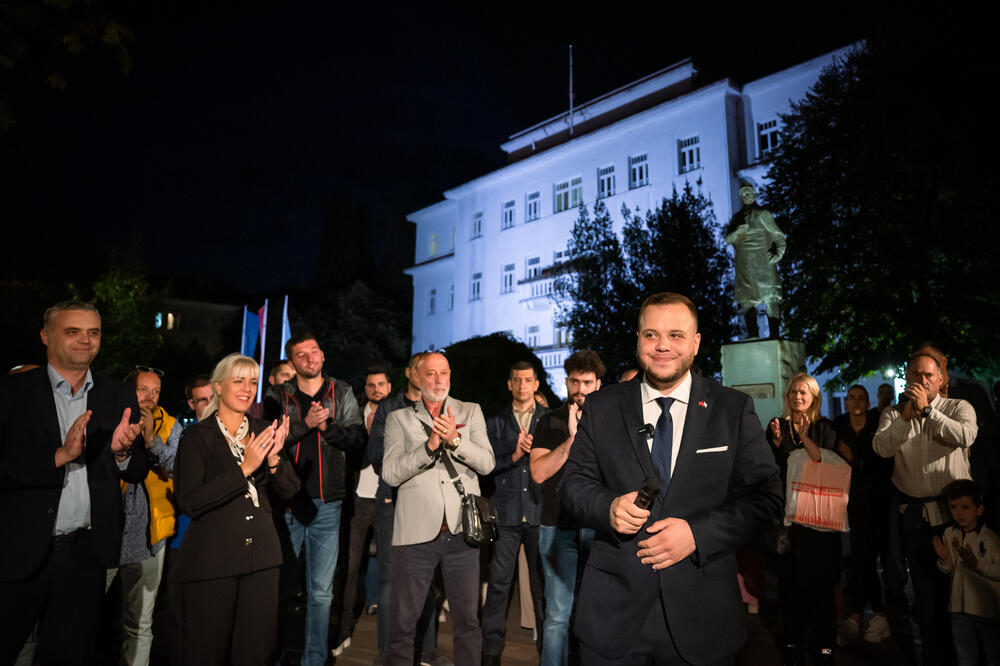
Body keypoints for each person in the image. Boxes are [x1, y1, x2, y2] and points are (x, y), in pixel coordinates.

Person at [559, 292, 783, 665]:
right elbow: (572, 484)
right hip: (613, 615)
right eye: (651, 335)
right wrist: (607, 507)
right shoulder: (602, 405)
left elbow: (767, 497)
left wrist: (698, 534)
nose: (663, 345)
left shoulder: (732, 409)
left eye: (676, 335)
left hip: (703, 616)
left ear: (695, 343)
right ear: (638, 340)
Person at [0, 299, 148, 665]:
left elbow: (138, 468)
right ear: (45, 336)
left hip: (86, 554)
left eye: (93, 332)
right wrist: (59, 457)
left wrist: (122, 453)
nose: (85, 340)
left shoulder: (116, 395)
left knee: (69, 655)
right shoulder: (12, 392)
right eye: (73, 331)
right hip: (19, 551)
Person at [170, 353, 298, 665]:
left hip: (263, 558)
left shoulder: (265, 429)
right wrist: (244, 469)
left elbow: (290, 491)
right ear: (217, 386)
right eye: (238, 380)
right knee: (207, 651)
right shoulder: (196, 437)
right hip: (213, 560)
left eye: (252, 381)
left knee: (255, 653)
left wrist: (273, 461)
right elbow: (189, 501)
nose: (246, 388)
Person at [382, 351, 495, 666]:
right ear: (416, 377)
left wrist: (456, 440)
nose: (437, 380)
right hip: (415, 535)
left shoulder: (470, 411)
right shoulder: (398, 419)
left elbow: (487, 464)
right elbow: (390, 473)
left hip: (462, 533)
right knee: (403, 624)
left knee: (467, 622)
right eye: (430, 373)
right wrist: (429, 446)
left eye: (443, 373)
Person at [262, 332, 366, 666]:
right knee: (278, 588)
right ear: (292, 364)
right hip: (286, 502)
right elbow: (266, 437)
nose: (311, 358)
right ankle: (274, 655)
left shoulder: (343, 391)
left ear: (322, 354)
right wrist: (305, 425)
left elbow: (357, 439)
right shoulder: (278, 394)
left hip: (327, 503)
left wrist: (327, 429)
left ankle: (314, 659)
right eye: (302, 355)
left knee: (321, 593)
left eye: (315, 351)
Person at [874, 351, 978, 666]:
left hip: (954, 517)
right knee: (924, 593)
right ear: (906, 380)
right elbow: (881, 448)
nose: (922, 380)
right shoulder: (894, 414)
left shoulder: (958, 407)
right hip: (916, 518)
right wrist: (907, 416)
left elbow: (966, 435)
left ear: (941, 379)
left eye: (929, 375)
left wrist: (930, 411)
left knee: (961, 593)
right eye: (916, 375)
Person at [367, 353, 448, 666]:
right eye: (423, 368)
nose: (429, 374)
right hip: (392, 500)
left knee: (426, 579)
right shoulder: (389, 407)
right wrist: (419, 453)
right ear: (412, 373)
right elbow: (377, 456)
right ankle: (389, 653)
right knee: (391, 579)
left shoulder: (441, 407)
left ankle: (425, 652)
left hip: (429, 504)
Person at [529, 349, 605, 666]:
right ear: (566, 381)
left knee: (596, 611)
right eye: (575, 381)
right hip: (557, 527)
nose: (581, 389)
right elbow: (538, 472)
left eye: (587, 382)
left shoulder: (609, 422)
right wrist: (571, 440)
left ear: (599, 384)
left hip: (598, 528)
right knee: (558, 615)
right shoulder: (549, 421)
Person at [107, 366, 183, 666]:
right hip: (107, 530)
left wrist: (152, 440)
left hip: (150, 535)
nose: (150, 397)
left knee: (139, 622)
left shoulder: (172, 426)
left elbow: (177, 468)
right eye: (143, 389)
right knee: (82, 613)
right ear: (129, 389)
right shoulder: (111, 417)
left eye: (156, 391)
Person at [767, 373, 838, 664]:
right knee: (790, 589)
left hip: (819, 522)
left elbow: (825, 466)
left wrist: (805, 438)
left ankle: (823, 650)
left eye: (803, 393)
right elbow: (771, 472)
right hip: (789, 520)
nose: (797, 397)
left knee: (821, 592)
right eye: (794, 392)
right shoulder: (776, 427)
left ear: (814, 398)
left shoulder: (825, 428)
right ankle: (793, 645)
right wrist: (775, 445)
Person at [481, 361, 548, 665]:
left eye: (528, 380)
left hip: (540, 512)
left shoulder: (549, 419)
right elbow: (486, 465)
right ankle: (491, 651)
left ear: (537, 384)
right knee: (498, 584)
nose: (522, 385)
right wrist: (515, 455)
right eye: (517, 380)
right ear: (509, 384)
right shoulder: (495, 421)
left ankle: (549, 650)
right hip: (506, 513)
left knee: (542, 586)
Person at [332, 365, 392, 657]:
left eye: (381, 384)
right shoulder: (354, 417)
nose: (376, 389)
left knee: (390, 569)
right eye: (371, 385)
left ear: (389, 387)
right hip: (357, 501)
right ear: (365, 389)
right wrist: (365, 435)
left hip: (387, 501)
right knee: (350, 566)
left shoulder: (396, 415)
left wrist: (376, 435)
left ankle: (391, 640)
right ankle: (343, 629)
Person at [833, 384, 893, 646]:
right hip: (848, 501)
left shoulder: (877, 424)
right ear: (845, 401)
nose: (855, 402)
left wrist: (854, 459)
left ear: (868, 402)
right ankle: (871, 615)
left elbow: (882, 462)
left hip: (877, 501)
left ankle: (864, 615)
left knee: (865, 557)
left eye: (861, 398)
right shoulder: (839, 424)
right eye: (851, 397)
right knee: (860, 558)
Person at [933, 479, 1000, 666]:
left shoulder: (989, 538)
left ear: (979, 509)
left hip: (985, 610)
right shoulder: (950, 533)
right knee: (965, 657)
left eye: (965, 507)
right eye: (954, 507)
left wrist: (976, 564)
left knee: (992, 656)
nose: (959, 513)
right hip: (958, 608)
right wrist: (944, 558)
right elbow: (948, 570)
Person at [725, 183, 786, 339]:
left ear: (754, 194)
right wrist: (738, 231)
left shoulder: (762, 214)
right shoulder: (737, 218)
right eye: (744, 194)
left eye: (749, 193)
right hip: (745, 265)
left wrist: (779, 252)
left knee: (770, 297)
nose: (747, 196)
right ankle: (753, 335)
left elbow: (778, 235)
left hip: (763, 262)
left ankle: (774, 334)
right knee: (746, 299)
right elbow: (728, 239)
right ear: (741, 197)